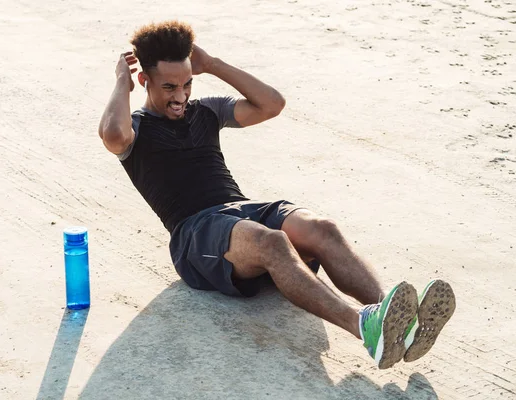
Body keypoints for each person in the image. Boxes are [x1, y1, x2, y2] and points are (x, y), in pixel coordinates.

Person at [98, 20, 456, 369]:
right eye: (168, 87)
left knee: (321, 228)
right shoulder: (135, 130)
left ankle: (397, 319)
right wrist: (121, 83)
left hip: (241, 211)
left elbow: (272, 104)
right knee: (272, 242)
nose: (180, 96)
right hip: (196, 233)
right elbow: (112, 134)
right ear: (144, 80)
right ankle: (364, 327)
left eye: (187, 84)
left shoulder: (205, 111)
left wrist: (213, 65)